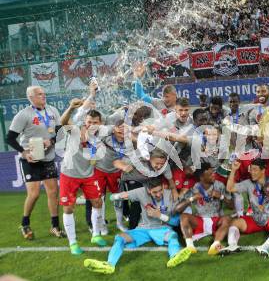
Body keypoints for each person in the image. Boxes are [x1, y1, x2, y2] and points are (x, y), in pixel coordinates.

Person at [83, 177, 192, 274]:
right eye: (155, 192)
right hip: (143, 229)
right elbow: (116, 197)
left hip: (163, 229)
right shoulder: (141, 192)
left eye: (160, 191)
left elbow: (177, 222)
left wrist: (160, 216)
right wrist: (116, 196)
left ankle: (174, 256)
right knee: (121, 238)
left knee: (173, 237)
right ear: (148, 190)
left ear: (163, 187)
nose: (158, 194)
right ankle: (109, 265)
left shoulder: (172, 196)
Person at [6, 85, 65, 239]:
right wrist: (24, 152)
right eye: (39, 94)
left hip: (48, 158)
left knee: (53, 192)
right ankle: (25, 224)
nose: (43, 96)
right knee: (34, 194)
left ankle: (55, 226)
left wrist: (51, 141)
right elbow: (10, 138)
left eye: (44, 93)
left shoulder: (53, 111)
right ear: (31, 98)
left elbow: (59, 132)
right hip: (31, 160)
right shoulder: (23, 115)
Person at [221, 159, 269, 258]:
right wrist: (233, 170)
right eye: (251, 169)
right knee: (235, 222)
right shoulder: (248, 183)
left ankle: (264, 247)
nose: (252, 172)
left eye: (255, 170)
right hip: (255, 219)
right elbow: (230, 188)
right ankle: (232, 246)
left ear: (263, 171)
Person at [59, 102, 107, 254]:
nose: (92, 125)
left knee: (98, 202)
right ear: (85, 123)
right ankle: (73, 243)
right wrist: (71, 108)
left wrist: (89, 145)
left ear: (100, 124)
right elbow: (63, 121)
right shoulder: (75, 130)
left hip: (88, 174)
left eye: (95, 122)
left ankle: (96, 234)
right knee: (68, 208)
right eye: (89, 122)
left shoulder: (101, 138)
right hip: (69, 174)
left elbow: (93, 159)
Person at [175, 162, 233, 255]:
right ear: (202, 177)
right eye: (210, 174)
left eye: (213, 173)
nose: (214, 175)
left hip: (216, 220)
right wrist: (192, 198)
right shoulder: (194, 188)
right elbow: (177, 209)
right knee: (183, 217)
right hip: (199, 220)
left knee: (227, 219)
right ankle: (190, 246)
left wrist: (221, 196)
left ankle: (216, 244)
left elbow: (231, 206)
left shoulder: (219, 185)